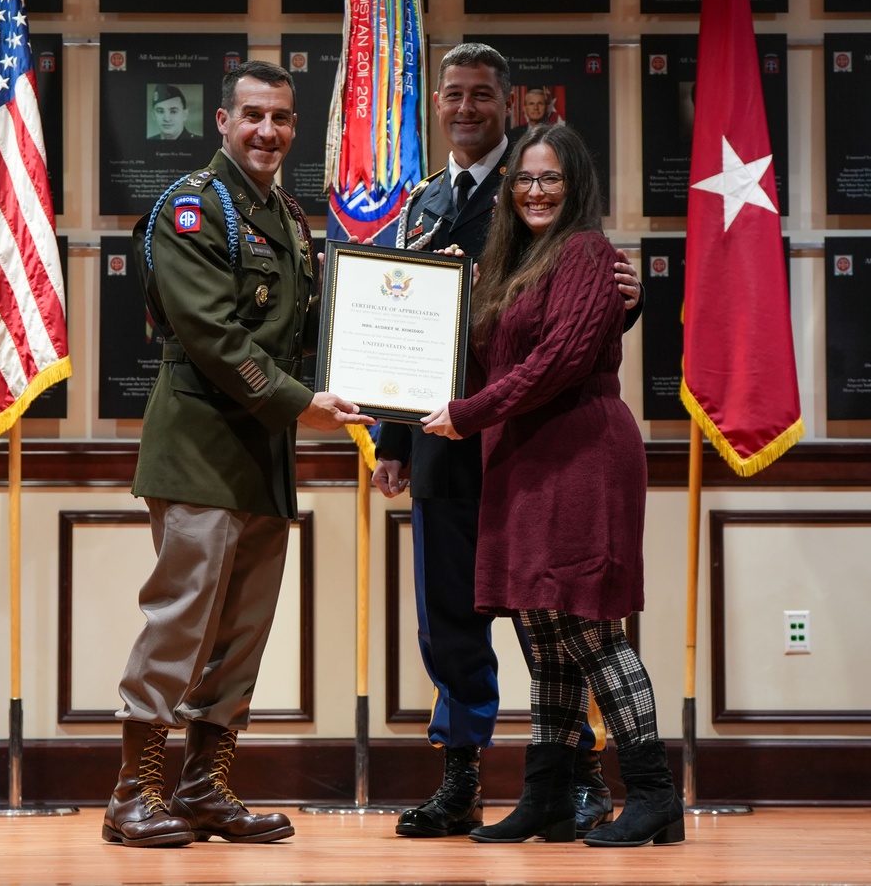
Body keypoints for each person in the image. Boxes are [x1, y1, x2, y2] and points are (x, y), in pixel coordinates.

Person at [373, 43, 642, 839]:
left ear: (509, 100)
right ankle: (461, 777)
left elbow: (584, 311)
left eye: (481, 95)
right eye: (453, 95)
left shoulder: (535, 182)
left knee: (554, 616)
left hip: (532, 443)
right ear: (439, 103)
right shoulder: (420, 204)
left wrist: (634, 298)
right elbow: (399, 334)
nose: (465, 109)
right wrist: (390, 437)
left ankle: (579, 776)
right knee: (448, 622)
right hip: (441, 444)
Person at [103, 60, 374, 848]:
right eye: (252, 115)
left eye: (282, 118)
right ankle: (132, 793)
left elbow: (312, 328)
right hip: (200, 445)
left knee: (242, 629)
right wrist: (301, 402)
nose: (268, 130)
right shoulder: (194, 206)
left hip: (262, 454)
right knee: (182, 620)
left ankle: (202, 785)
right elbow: (211, 335)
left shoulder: (287, 215)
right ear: (222, 121)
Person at [421, 123, 683, 848]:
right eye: (525, 180)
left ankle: (657, 793)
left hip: (581, 452)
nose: (535, 191)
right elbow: (493, 363)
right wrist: (453, 303)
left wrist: (468, 415)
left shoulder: (588, 253)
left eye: (550, 178)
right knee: (544, 630)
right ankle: (547, 796)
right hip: (524, 457)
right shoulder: (513, 261)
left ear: (575, 185)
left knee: (589, 626)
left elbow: (560, 362)